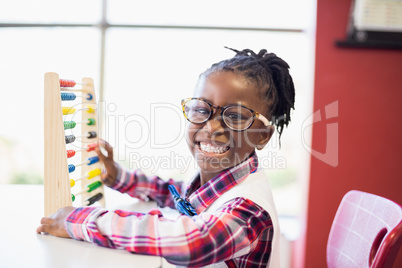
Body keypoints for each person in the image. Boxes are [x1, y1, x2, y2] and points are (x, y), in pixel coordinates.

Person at [37, 47, 295, 267]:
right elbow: (172, 192)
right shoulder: (216, 185)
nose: (212, 127)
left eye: (236, 116)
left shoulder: (249, 210)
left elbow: (191, 241)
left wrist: (79, 220)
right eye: (201, 109)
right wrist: (119, 177)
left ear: (263, 135)